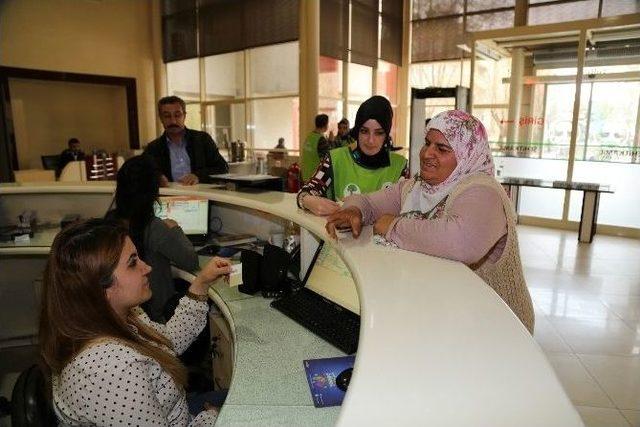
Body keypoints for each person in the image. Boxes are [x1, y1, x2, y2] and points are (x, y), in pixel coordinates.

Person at [325, 110, 534, 334]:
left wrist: (393, 226)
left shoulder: (483, 191)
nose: (427, 154)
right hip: (448, 317)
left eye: (442, 148)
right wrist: (355, 210)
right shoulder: (417, 187)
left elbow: (461, 241)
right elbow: (369, 202)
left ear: (467, 154)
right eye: (427, 143)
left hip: (497, 327)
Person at [39, 218, 232, 425]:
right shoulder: (111, 372)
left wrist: (201, 284)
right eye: (132, 263)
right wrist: (213, 418)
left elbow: (167, 341)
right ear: (101, 288)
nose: (147, 267)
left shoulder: (120, 315)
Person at [108, 155, 199, 323]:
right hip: (157, 317)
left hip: (124, 316)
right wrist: (174, 229)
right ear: (153, 191)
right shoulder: (155, 227)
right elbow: (191, 261)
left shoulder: (109, 221)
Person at [297, 96, 408, 216]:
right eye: (364, 131)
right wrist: (307, 200)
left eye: (379, 133)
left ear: (386, 134)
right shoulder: (335, 159)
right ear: (356, 131)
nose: (371, 140)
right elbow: (307, 190)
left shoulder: (401, 166)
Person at [145, 96, 228, 185]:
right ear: (161, 118)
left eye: (177, 115)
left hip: (202, 195)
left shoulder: (202, 139)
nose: (173, 121)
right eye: (167, 116)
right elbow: (144, 171)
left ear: (184, 115)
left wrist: (198, 176)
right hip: (169, 196)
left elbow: (222, 168)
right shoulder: (153, 148)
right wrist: (157, 177)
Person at [301, 114, 331, 181]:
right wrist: (331, 142)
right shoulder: (321, 140)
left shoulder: (309, 137)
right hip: (315, 178)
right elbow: (327, 159)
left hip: (305, 176)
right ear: (325, 125)